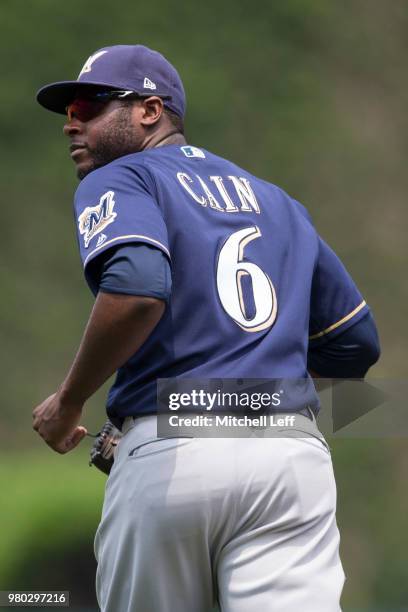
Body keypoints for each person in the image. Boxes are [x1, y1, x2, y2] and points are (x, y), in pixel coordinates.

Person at [33, 45, 380, 612]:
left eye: (91, 104)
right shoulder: (279, 203)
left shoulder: (121, 179)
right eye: (70, 110)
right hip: (289, 458)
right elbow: (356, 344)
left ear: (150, 110)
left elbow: (139, 289)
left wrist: (69, 401)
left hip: (173, 456)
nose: (73, 122)